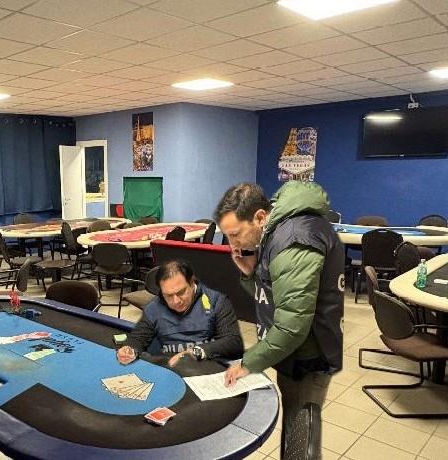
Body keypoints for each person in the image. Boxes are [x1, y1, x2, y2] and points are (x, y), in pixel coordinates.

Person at [215, 181, 344, 452]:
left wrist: (247, 363)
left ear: (260, 217)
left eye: (235, 234)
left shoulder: (294, 240)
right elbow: (275, 297)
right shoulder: (277, 232)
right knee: (295, 430)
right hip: (294, 353)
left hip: (307, 358)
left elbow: (291, 326)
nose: (232, 244)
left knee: (300, 440)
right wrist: (250, 272)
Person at [115, 259, 243, 367]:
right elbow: (138, 338)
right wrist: (130, 349)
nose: (176, 301)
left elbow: (233, 341)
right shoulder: (154, 308)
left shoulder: (217, 301)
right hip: (171, 368)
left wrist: (195, 352)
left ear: (192, 283)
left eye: (181, 292)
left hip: (207, 368)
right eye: (168, 295)